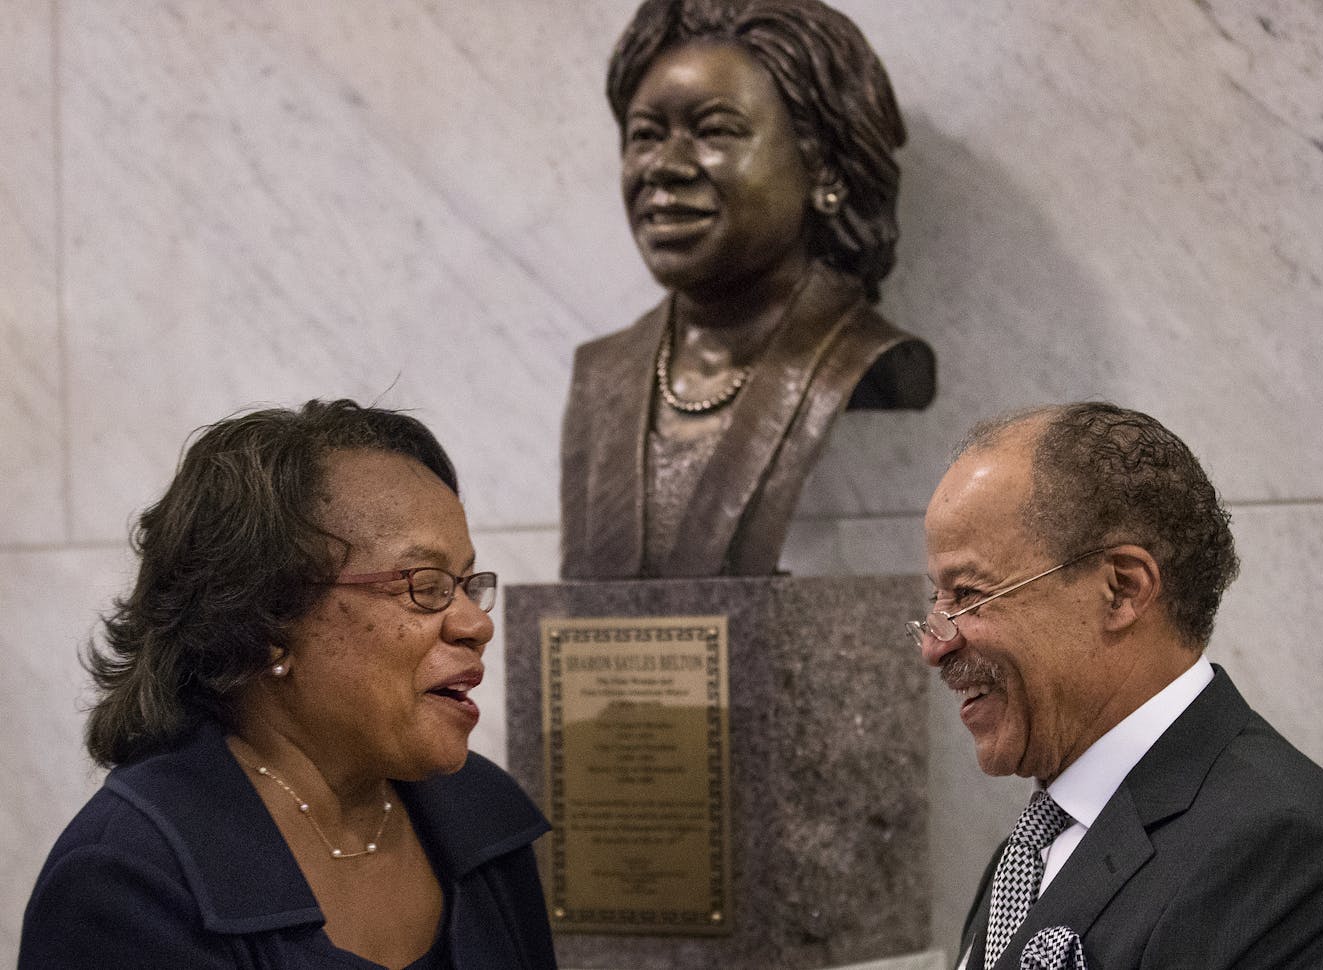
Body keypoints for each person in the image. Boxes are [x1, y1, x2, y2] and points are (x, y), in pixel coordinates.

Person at [20, 400, 557, 970]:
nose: (477, 623)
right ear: (268, 622)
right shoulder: (129, 880)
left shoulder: (482, 813)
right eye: (425, 585)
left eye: (467, 583)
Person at [910, 402, 1323, 969]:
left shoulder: (1284, 852)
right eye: (937, 600)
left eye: (969, 595)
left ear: (1121, 590)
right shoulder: (1032, 848)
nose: (934, 645)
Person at [560, 0, 936, 579]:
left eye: (715, 130)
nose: (665, 166)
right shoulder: (603, 375)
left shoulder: (860, 359)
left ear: (825, 169)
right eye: (645, 135)